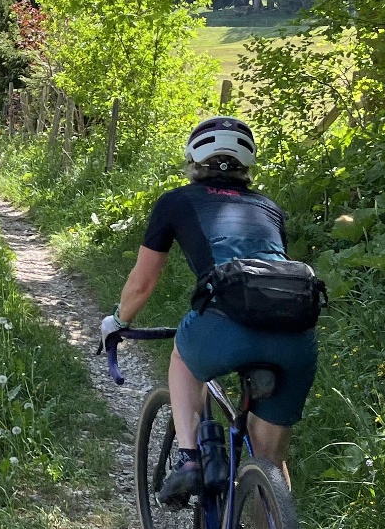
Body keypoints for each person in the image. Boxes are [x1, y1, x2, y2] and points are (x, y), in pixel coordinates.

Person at [107, 116, 317, 506]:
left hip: (225, 324)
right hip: (296, 335)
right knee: (270, 460)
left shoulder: (175, 201)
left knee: (183, 357)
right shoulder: (269, 207)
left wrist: (119, 322)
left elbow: (142, 283)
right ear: (247, 164)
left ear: (193, 160)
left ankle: (189, 459)